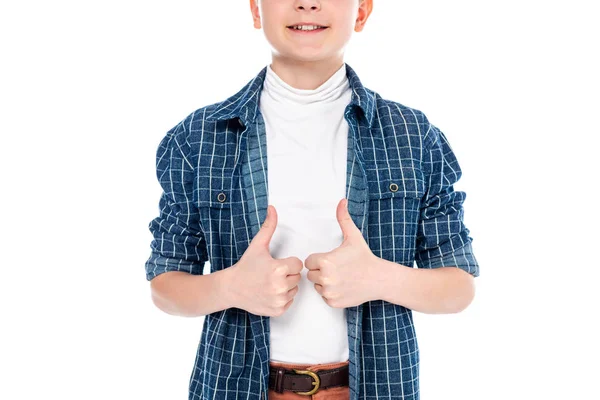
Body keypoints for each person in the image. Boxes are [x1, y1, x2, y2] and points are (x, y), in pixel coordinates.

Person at [144, 1, 480, 399]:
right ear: (256, 10)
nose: (308, 3)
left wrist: (381, 278)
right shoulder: (198, 137)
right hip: (236, 387)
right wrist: (229, 287)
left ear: (361, 12)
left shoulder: (412, 136)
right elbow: (164, 285)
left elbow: (459, 287)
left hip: (374, 388)